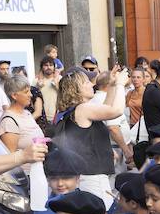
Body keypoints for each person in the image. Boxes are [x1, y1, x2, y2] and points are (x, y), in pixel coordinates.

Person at [54, 68, 126, 204]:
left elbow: (105, 108)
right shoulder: (83, 109)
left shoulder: (73, 111)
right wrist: (121, 85)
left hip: (85, 176)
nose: (92, 84)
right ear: (75, 89)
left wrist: (111, 85)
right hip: (93, 177)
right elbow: (116, 111)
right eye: (86, 82)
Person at [0, 74, 45, 157]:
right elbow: (10, 158)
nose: (31, 95)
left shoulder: (27, 113)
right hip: (25, 170)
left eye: (30, 91)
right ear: (14, 96)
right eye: (26, 92)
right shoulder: (8, 122)